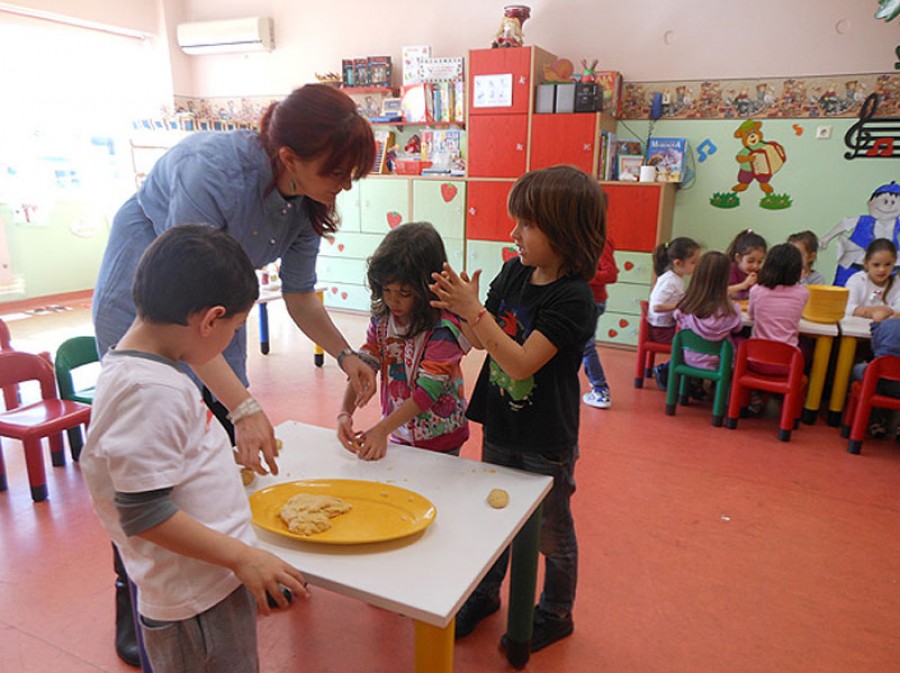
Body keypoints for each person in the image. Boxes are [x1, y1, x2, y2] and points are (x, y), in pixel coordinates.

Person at [92, 84, 377, 666]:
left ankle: (226, 568)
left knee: (211, 439)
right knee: (155, 457)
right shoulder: (213, 172)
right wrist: (243, 407)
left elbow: (300, 298)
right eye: (339, 171)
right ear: (290, 158)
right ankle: (145, 595)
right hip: (161, 296)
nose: (345, 185)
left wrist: (347, 355)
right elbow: (188, 296)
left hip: (219, 310)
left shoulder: (303, 203)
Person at [80, 225, 309, 673]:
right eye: (235, 328)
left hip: (212, 582)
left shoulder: (153, 371)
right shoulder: (149, 391)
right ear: (210, 320)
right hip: (195, 605)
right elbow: (144, 513)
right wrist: (243, 556)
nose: (231, 339)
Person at [428, 165, 605, 652]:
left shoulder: (574, 299)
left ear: (564, 230)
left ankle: (555, 611)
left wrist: (474, 313)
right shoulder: (513, 272)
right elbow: (477, 338)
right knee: (493, 516)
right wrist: (447, 314)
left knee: (551, 531)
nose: (514, 233)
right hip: (503, 423)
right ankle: (486, 594)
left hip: (547, 437)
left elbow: (522, 362)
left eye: (526, 224)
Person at [335, 222, 470, 460]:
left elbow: (428, 391)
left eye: (404, 293)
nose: (393, 301)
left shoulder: (443, 327)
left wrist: (381, 430)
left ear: (429, 287)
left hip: (441, 438)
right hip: (400, 432)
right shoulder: (382, 321)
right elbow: (364, 364)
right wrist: (345, 413)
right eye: (386, 290)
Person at [747, 243, 809, 390]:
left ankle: (751, 397)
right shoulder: (803, 293)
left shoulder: (757, 290)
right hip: (788, 363)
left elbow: (751, 316)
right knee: (808, 347)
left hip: (755, 360)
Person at [674, 251, 743, 372]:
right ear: (726, 279)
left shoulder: (685, 307)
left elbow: (677, 318)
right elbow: (738, 328)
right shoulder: (731, 311)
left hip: (689, 359)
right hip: (720, 363)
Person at [646, 236, 700, 389]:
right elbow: (656, 306)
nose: (696, 266)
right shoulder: (670, 280)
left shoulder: (677, 278)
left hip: (668, 326)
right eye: (693, 262)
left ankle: (688, 378)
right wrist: (681, 304)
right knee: (691, 344)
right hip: (661, 330)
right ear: (678, 263)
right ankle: (664, 370)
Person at [582, 235, 619, 409]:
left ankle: (600, 389)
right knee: (578, 345)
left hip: (592, 301)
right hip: (582, 299)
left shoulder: (599, 241)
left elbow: (611, 274)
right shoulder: (579, 237)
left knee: (586, 346)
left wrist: (582, 276)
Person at [850, 316, 900, 438]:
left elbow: (875, 348)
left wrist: (876, 325)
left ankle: (874, 422)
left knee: (860, 369)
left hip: (877, 379)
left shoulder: (888, 324)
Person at [845, 238, 900, 320]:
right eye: (876, 265)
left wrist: (886, 312)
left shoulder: (897, 283)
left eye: (887, 264)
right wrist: (871, 312)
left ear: (894, 262)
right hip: (855, 330)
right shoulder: (857, 280)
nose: (882, 269)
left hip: (885, 331)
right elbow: (847, 308)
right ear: (866, 263)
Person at [727, 229, 768, 300]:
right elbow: (724, 292)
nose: (755, 266)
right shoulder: (730, 270)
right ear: (738, 258)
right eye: (750, 261)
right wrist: (744, 285)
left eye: (759, 262)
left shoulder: (760, 273)